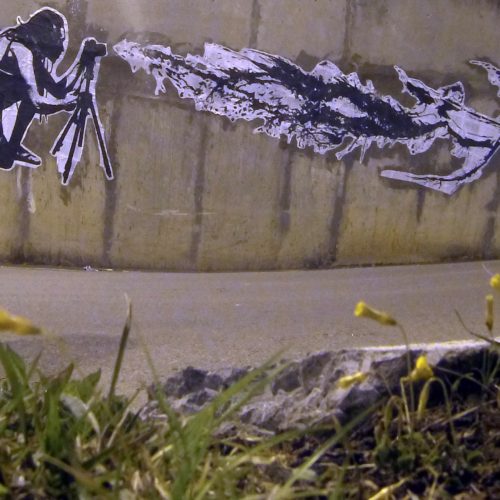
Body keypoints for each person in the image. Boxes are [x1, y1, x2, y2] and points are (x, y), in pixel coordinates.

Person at [0, 8, 83, 170]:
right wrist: (62, 105)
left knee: (25, 91)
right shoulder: (21, 51)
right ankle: (7, 148)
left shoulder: (24, 45)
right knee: (29, 94)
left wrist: (82, 62)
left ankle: (10, 147)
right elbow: (37, 102)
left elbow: (57, 90)